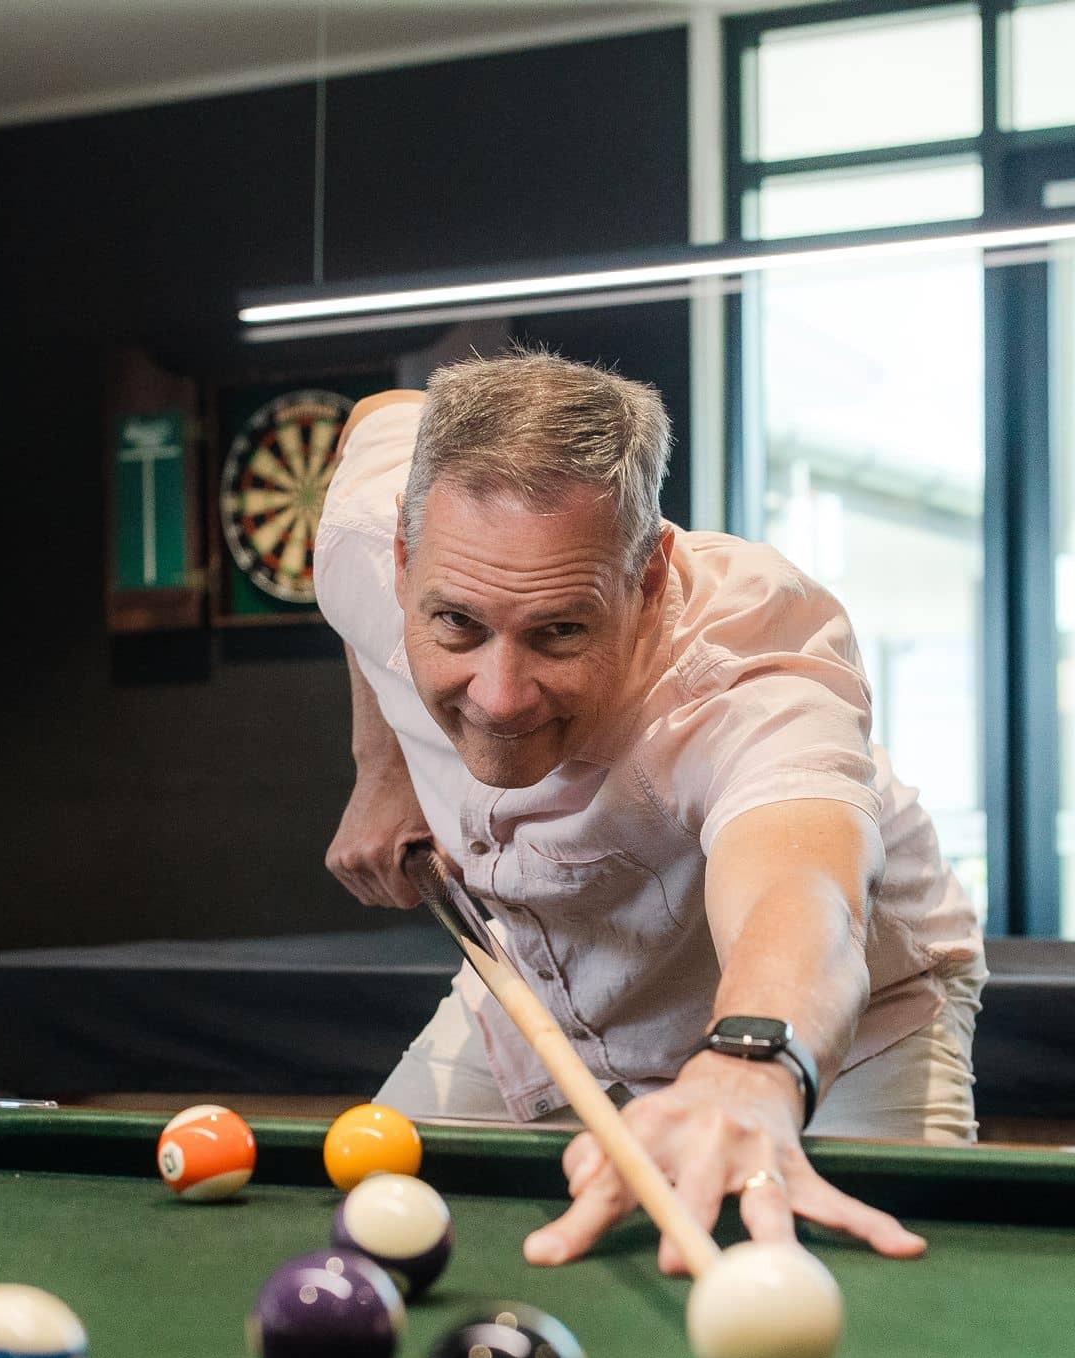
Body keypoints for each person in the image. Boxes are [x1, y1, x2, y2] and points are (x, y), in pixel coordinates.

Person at [313, 351, 985, 1273]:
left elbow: (803, 889)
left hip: (843, 1028)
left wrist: (751, 1067)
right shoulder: (362, 533)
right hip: (539, 979)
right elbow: (378, 414)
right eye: (458, 626)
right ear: (399, 556)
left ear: (649, 576)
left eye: (559, 631)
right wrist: (378, 763)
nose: (501, 697)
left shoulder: (745, 670)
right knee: (369, 1220)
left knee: (868, 1289)